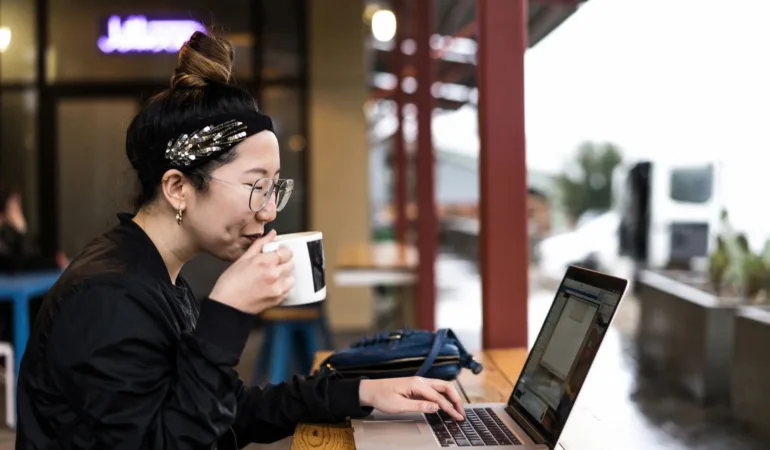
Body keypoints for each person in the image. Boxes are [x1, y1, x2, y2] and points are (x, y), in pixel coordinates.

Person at [15, 31, 465, 449]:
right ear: (178, 188)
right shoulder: (108, 296)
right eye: (256, 186)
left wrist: (363, 392)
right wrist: (226, 314)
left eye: (273, 188)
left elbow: (221, 411)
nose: (269, 210)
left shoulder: (156, 277)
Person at [0, 184, 68, 273]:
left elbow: (32, 255)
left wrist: (54, 261)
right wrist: (21, 231)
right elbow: (15, 266)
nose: (18, 210)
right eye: (15, 204)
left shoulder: (8, 232)